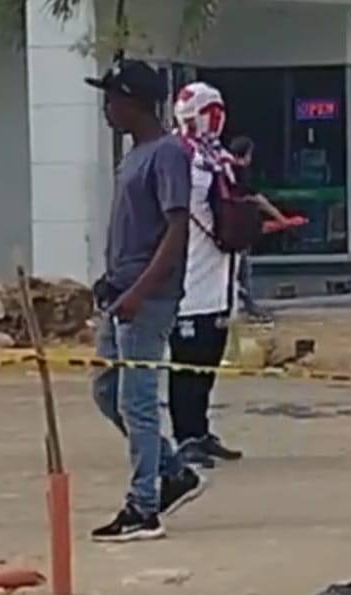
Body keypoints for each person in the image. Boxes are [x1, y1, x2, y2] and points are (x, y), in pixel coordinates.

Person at [85, 59, 206, 543]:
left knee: (137, 402)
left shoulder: (168, 155)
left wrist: (139, 292)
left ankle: (143, 508)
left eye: (112, 98)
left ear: (134, 101)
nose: (107, 107)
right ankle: (172, 471)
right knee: (106, 391)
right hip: (122, 294)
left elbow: (176, 232)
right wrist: (112, 281)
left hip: (147, 299)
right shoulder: (133, 156)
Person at [167, 81, 245, 469]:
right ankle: (185, 436)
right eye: (211, 112)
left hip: (220, 279)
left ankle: (200, 430)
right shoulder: (179, 157)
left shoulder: (216, 158)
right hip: (188, 281)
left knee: (210, 359)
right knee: (187, 363)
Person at [228, 136, 291, 322]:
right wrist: (282, 219)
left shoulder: (224, 169)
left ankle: (246, 303)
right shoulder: (238, 172)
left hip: (228, 228)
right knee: (242, 268)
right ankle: (248, 305)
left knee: (238, 268)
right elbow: (257, 199)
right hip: (236, 229)